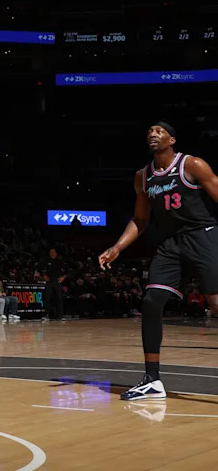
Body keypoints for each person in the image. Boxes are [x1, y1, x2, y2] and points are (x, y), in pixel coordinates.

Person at [100, 122, 218, 400]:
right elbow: (141, 219)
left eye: (159, 131)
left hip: (203, 236)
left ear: (172, 139)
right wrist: (117, 247)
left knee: (215, 304)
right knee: (152, 301)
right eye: (149, 132)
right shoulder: (143, 177)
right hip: (170, 243)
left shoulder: (193, 165)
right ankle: (152, 380)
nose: (153, 134)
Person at [39, 247, 65, 321]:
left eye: (54, 252)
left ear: (56, 253)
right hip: (49, 281)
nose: (52, 253)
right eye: (51, 252)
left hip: (57, 281)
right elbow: (39, 269)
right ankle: (46, 315)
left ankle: (61, 315)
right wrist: (44, 276)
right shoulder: (45, 261)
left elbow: (66, 271)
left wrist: (63, 277)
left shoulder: (60, 261)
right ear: (49, 253)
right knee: (47, 298)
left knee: (59, 298)